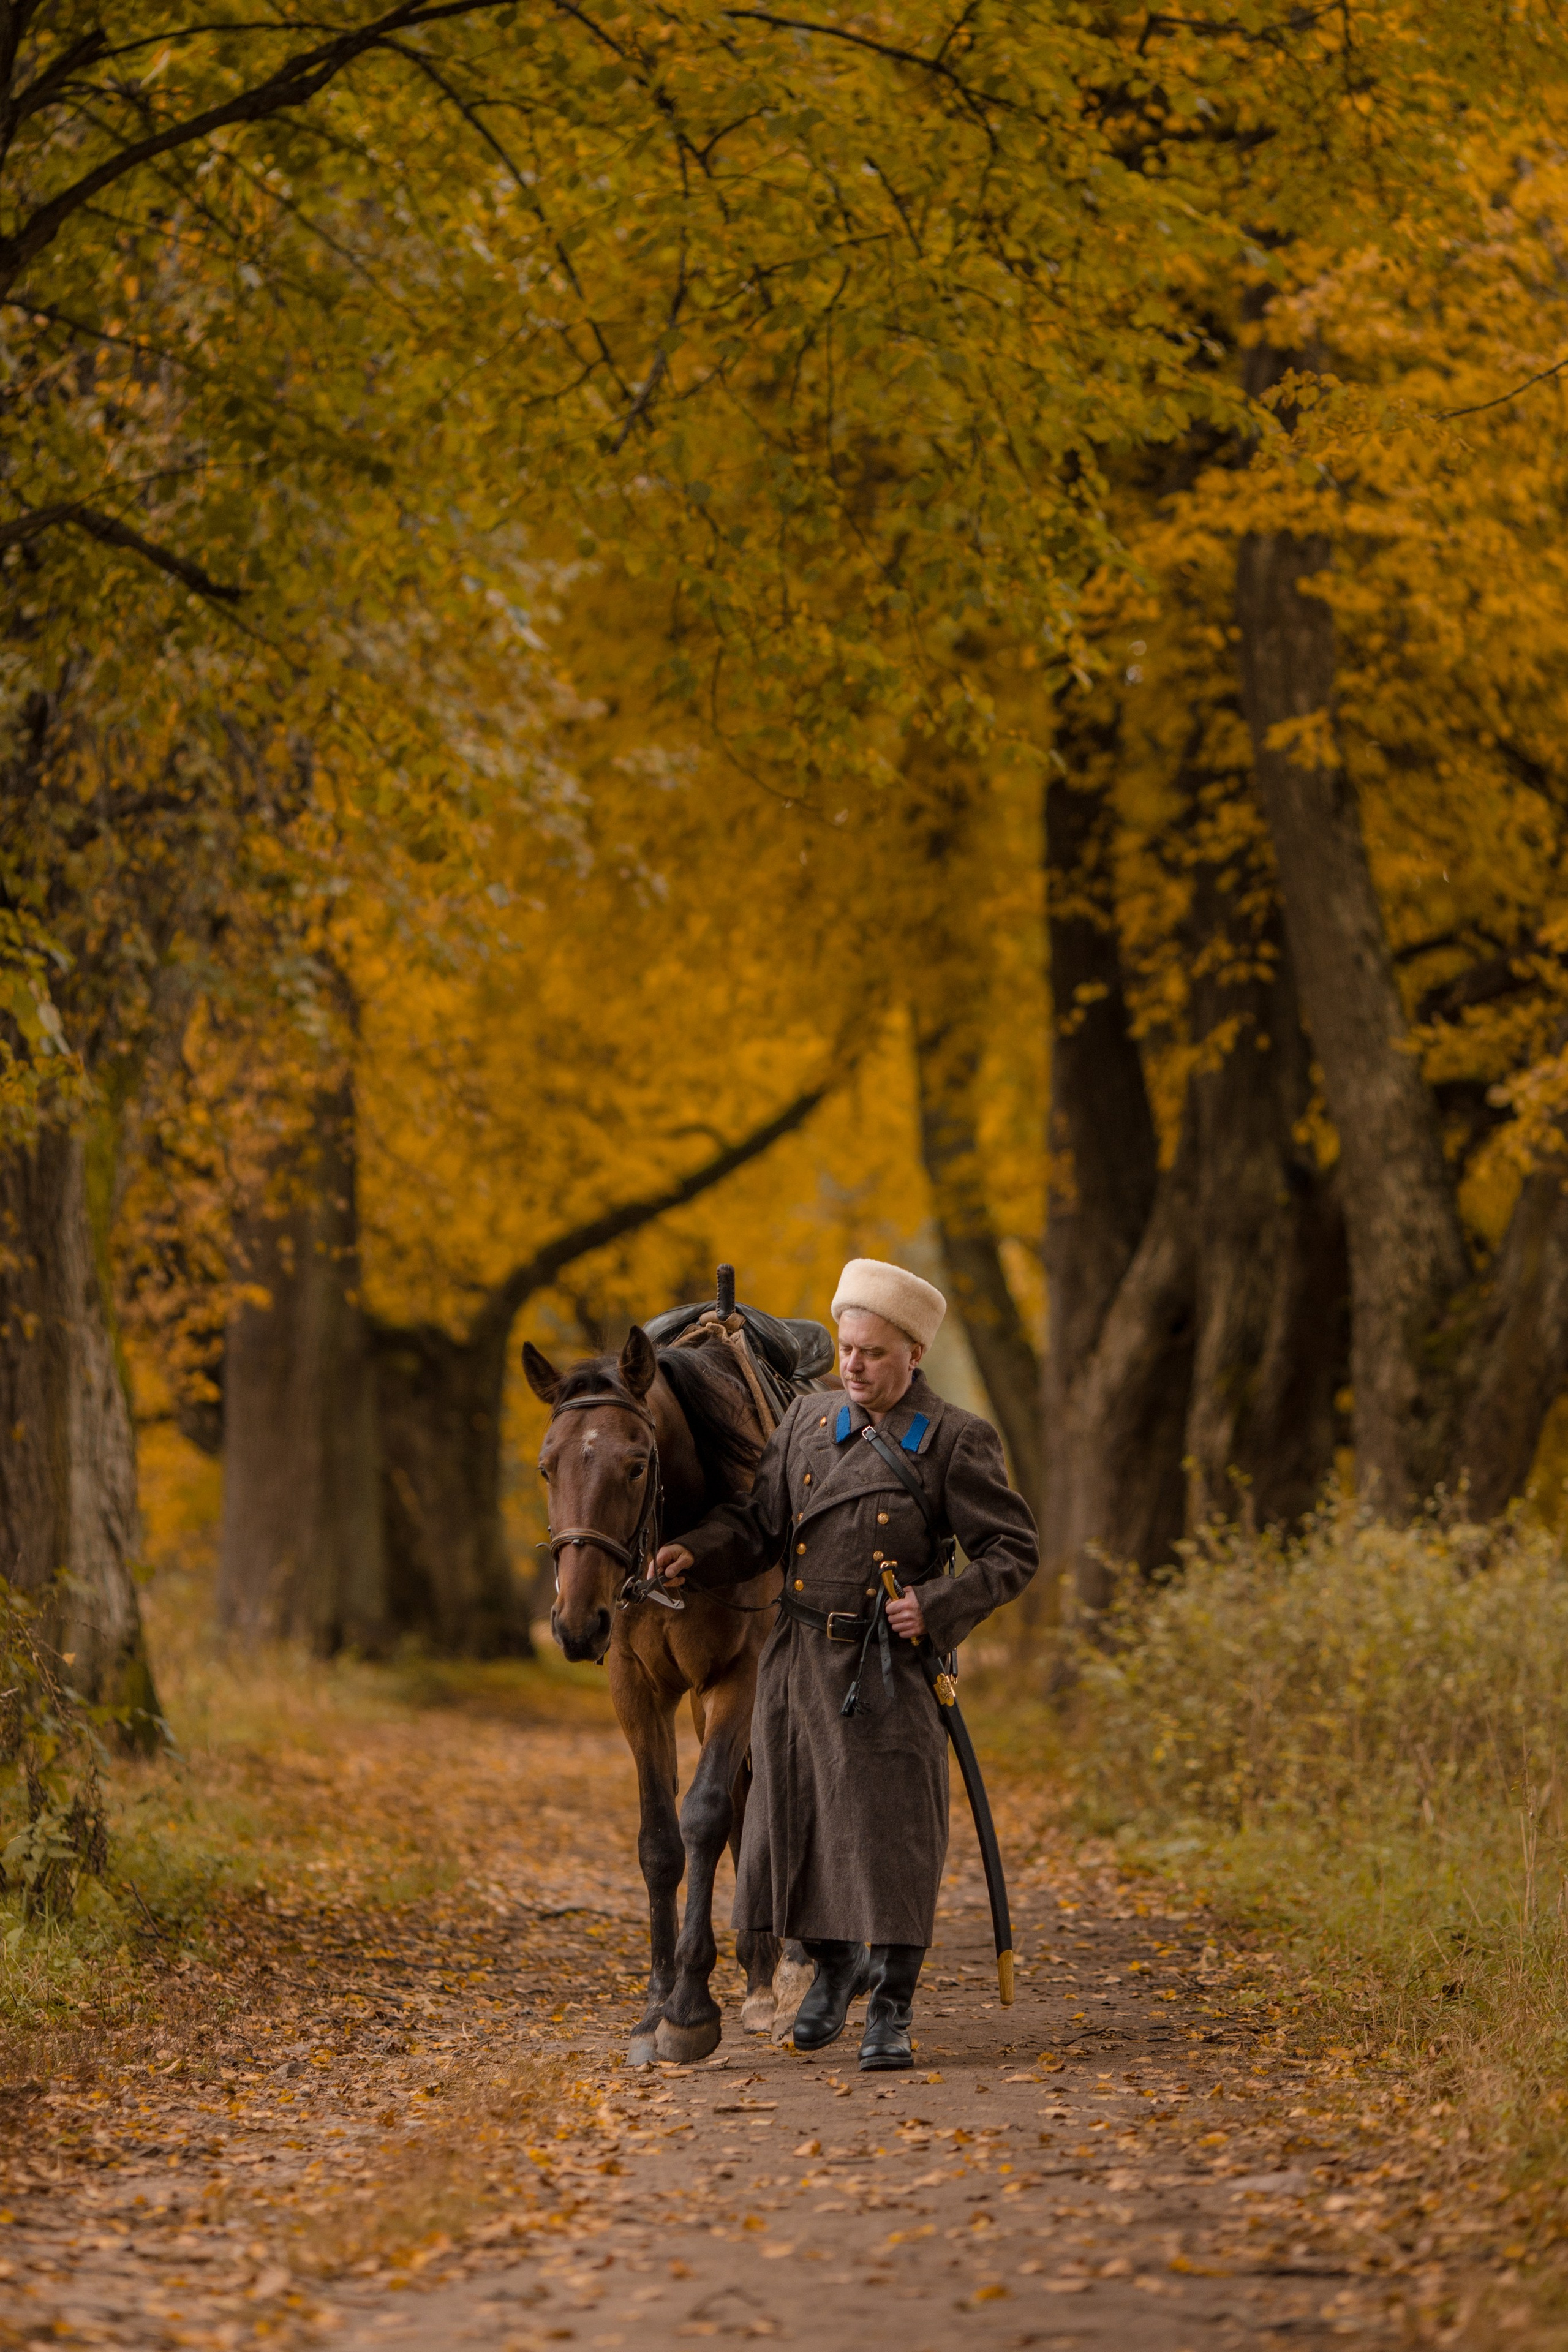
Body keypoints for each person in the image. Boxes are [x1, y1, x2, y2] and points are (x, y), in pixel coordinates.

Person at [652, 1257, 1038, 2071]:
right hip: (796, 1661)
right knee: (794, 1820)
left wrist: (938, 1606)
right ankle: (830, 1966)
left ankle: (892, 2002)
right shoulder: (805, 1425)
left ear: (913, 1357)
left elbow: (1012, 1550)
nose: (855, 1365)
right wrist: (693, 1551)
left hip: (888, 1665)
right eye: (848, 1348)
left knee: (891, 1833)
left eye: (874, 1353)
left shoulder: (955, 1438)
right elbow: (758, 1528)